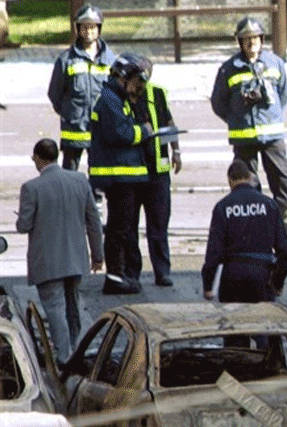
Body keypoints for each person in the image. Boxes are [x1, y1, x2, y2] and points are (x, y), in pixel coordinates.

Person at [211, 17, 287, 236]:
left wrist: (272, 116)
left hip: (272, 133)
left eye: (254, 38)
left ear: (262, 39)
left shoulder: (275, 63)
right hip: (244, 136)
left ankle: (284, 217)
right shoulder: (229, 69)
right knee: (247, 181)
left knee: (282, 176)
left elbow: (283, 94)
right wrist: (236, 119)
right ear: (240, 42)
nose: (251, 43)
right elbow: (218, 103)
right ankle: (253, 222)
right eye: (246, 39)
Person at [15, 138, 104, 364]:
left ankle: (64, 357)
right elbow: (93, 221)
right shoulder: (79, 180)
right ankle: (76, 349)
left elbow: (23, 226)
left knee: (55, 309)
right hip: (75, 259)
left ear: (37, 158)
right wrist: (97, 256)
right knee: (73, 306)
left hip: (47, 261)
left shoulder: (31, 188)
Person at [89, 53, 153, 295]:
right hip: (118, 176)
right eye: (135, 80)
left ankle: (120, 274)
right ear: (124, 78)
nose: (138, 86)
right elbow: (122, 134)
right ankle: (114, 278)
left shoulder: (116, 98)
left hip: (123, 175)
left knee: (123, 227)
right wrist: (145, 131)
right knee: (118, 229)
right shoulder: (110, 100)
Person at [122, 56, 182, 288]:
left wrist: (176, 151)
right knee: (130, 227)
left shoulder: (157, 93)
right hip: (133, 172)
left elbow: (168, 122)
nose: (142, 80)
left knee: (158, 226)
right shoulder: (123, 95)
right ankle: (132, 272)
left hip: (158, 172)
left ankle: (162, 272)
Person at [201, 159, 287, 304]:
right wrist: (277, 282)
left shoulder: (222, 207)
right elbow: (285, 251)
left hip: (232, 276)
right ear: (250, 178)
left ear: (230, 180)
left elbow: (213, 252)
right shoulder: (269, 205)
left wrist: (208, 285)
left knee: (233, 324)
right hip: (262, 275)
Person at [47, 4, 116, 171]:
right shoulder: (66, 59)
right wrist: (70, 113)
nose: (88, 31)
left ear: (99, 29)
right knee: (70, 173)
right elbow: (55, 93)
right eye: (84, 27)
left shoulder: (110, 59)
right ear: (78, 28)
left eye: (92, 27)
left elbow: (115, 92)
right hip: (74, 129)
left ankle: (96, 198)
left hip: (101, 129)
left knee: (100, 173)